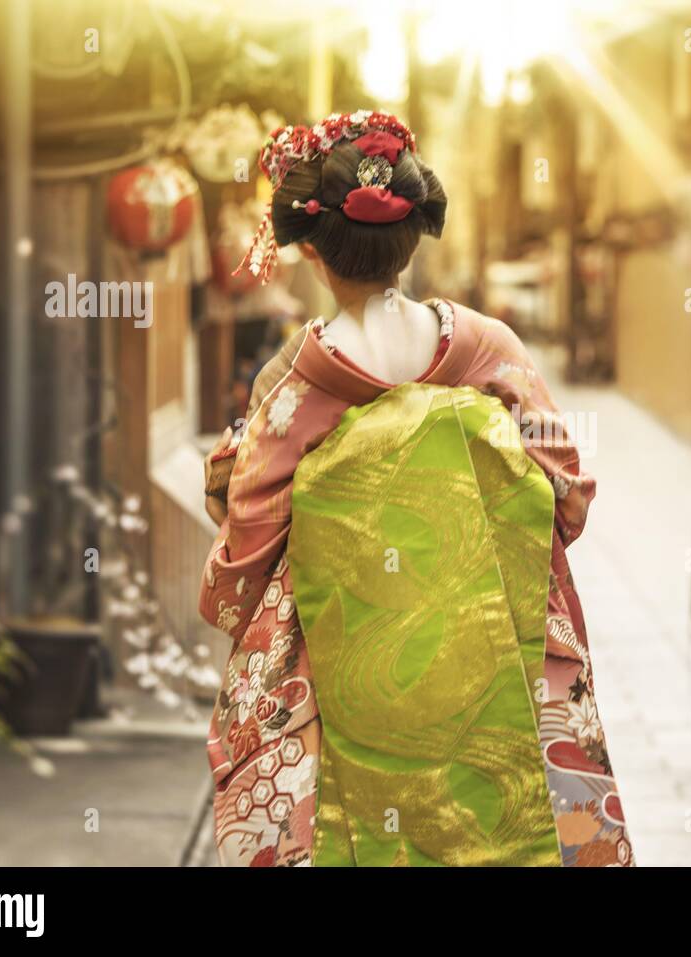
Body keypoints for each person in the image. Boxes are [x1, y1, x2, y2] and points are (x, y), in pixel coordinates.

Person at [199, 111, 633, 867]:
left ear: (314, 251)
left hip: (349, 697)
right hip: (501, 667)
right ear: (411, 235)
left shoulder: (292, 386)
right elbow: (568, 496)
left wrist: (226, 485)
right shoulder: (491, 351)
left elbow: (238, 577)